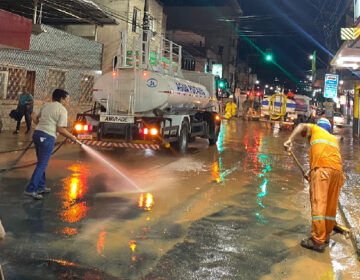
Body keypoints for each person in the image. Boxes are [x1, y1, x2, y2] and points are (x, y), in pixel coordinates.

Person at [284, 118, 345, 252]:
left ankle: (317, 240)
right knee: (330, 206)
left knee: (319, 203)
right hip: (337, 173)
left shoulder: (316, 130)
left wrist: (290, 140)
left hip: (322, 170)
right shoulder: (333, 139)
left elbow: (301, 126)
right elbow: (327, 159)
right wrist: (311, 174)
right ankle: (326, 236)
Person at [24, 89, 80, 200]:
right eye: (67, 99)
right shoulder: (62, 110)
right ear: (61, 99)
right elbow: (60, 129)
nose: (68, 101)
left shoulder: (46, 105)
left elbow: (33, 115)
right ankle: (31, 189)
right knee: (42, 165)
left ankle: (40, 187)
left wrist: (39, 124)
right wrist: (72, 137)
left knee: (41, 162)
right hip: (47, 137)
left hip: (37, 134)